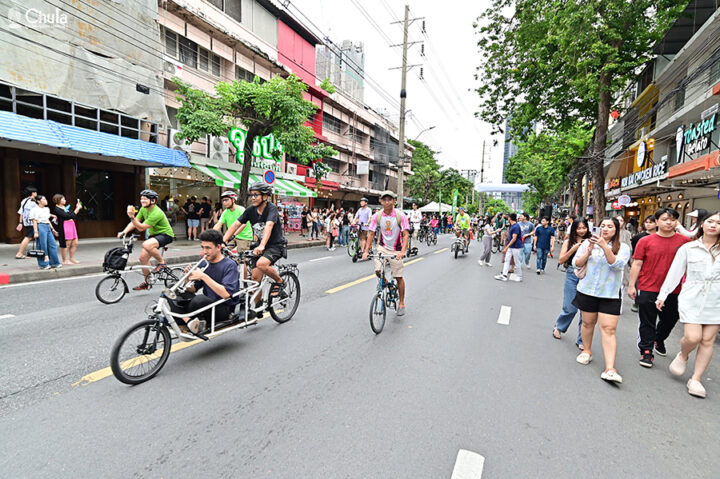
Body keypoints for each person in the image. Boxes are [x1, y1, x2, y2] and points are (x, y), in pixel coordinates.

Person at [657, 211, 720, 398]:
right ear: (701, 224)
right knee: (693, 337)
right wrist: (663, 295)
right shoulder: (688, 248)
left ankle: (696, 379)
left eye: (718, 222)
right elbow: (674, 273)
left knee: (708, 340)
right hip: (692, 296)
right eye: (710, 221)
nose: (713, 225)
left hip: (716, 298)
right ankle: (683, 355)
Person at [628, 208, 690, 368]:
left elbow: (689, 266)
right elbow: (637, 263)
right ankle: (646, 351)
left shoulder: (684, 242)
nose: (669, 222)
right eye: (664, 219)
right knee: (647, 320)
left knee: (671, 317)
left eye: (672, 219)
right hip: (648, 286)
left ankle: (659, 337)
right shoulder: (645, 241)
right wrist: (631, 285)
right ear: (657, 222)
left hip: (674, 290)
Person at [572, 217, 632, 384]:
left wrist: (605, 247)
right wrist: (588, 251)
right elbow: (575, 263)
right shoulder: (586, 244)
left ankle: (610, 368)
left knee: (609, 329)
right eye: (603, 226)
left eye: (610, 226)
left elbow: (618, 265)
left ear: (616, 229)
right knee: (587, 323)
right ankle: (587, 351)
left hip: (610, 294)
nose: (605, 229)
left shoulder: (623, 247)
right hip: (588, 290)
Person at [224, 182, 287, 317]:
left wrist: (262, 245)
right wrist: (222, 242)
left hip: (274, 246)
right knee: (254, 281)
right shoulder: (250, 210)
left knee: (261, 264)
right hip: (259, 246)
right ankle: (258, 306)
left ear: (265, 196)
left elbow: (269, 226)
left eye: (256, 195)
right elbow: (235, 225)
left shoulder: (271, 209)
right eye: (251, 195)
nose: (252, 198)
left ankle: (279, 281)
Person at [170, 229, 240, 334]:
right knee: (171, 289)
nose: (204, 252)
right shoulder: (204, 263)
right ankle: (189, 321)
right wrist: (187, 278)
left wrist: (203, 276)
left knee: (199, 300)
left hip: (222, 308)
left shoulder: (230, 265)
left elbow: (226, 294)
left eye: (208, 248)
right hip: (206, 306)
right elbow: (192, 290)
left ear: (219, 247)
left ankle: (183, 317)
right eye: (202, 247)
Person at [361, 190, 410, 316]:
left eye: (390, 199)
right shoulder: (377, 216)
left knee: (399, 277)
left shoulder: (401, 216)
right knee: (378, 271)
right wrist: (366, 251)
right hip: (382, 247)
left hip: (396, 249)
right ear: (381, 201)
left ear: (394, 201)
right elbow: (371, 233)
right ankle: (386, 282)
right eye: (384, 199)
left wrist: (403, 251)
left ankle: (402, 303)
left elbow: (405, 235)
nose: (387, 202)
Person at [117, 189, 175, 290]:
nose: (142, 201)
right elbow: (135, 222)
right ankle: (147, 282)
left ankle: (162, 263)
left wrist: (131, 217)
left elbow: (141, 228)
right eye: (141, 199)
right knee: (142, 258)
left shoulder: (156, 212)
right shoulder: (143, 209)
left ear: (152, 201)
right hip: (154, 236)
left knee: (146, 244)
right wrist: (124, 232)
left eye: (145, 199)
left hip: (166, 235)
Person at [553, 218, 591, 348]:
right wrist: (574, 248)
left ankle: (582, 340)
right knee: (570, 307)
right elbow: (561, 259)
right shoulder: (569, 242)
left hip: (588, 275)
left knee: (585, 311)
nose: (581, 231)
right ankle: (559, 326)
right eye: (578, 228)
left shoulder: (592, 242)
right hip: (572, 274)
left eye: (584, 228)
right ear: (574, 229)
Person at [630, 214, 658, 312]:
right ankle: (637, 301)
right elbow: (634, 252)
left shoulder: (659, 236)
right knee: (639, 281)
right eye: (646, 222)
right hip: (641, 263)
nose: (648, 224)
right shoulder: (638, 237)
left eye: (651, 222)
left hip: (655, 265)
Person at [29, 195, 62, 270]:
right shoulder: (34, 210)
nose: (46, 200)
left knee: (53, 244)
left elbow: (47, 220)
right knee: (42, 245)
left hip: (47, 227)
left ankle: (54, 262)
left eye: (45, 198)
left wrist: (53, 230)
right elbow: (34, 221)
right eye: (44, 199)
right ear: (38, 201)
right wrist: (36, 232)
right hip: (40, 226)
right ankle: (43, 264)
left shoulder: (47, 209)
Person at [51, 194, 82, 265]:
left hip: (71, 225)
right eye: (63, 199)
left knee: (75, 242)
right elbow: (68, 216)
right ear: (58, 200)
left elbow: (71, 214)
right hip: (65, 226)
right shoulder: (57, 209)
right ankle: (64, 260)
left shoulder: (63, 207)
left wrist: (76, 208)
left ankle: (72, 258)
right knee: (67, 244)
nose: (65, 200)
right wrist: (77, 209)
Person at [494, 213, 523, 282]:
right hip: (511, 247)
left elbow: (514, 238)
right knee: (507, 260)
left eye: (508, 217)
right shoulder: (512, 225)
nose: (507, 218)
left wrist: (507, 247)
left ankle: (519, 276)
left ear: (510, 218)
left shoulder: (516, 226)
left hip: (516, 247)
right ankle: (504, 275)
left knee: (516, 261)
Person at [15, 186, 38, 259]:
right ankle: (19, 253)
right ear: (32, 193)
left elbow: (21, 213)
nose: (36, 193)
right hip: (32, 222)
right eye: (35, 192)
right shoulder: (32, 202)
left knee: (30, 237)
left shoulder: (24, 200)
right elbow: (37, 212)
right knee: (28, 237)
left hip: (26, 221)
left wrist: (20, 222)